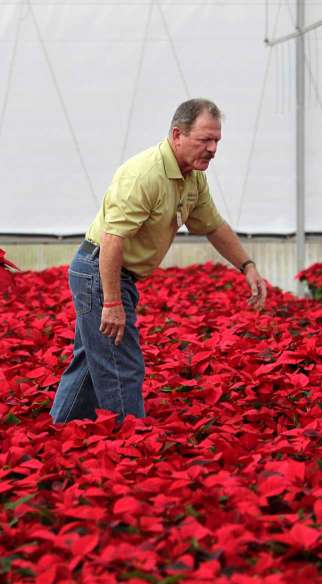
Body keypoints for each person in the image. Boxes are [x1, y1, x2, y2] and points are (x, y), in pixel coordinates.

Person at [50, 98, 267, 423]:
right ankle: (129, 444)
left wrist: (247, 266)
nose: (212, 149)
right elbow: (112, 239)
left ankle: (60, 429)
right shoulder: (146, 174)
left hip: (112, 273)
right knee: (122, 368)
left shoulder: (192, 177)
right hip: (100, 271)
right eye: (204, 140)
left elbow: (213, 225)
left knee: (89, 365)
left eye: (217, 140)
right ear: (177, 134)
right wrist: (111, 303)